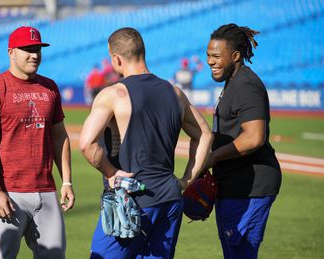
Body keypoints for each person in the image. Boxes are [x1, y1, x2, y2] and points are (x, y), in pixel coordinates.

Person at [79, 27, 212, 258]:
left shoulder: (114, 94)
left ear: (116, 58)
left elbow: (87, 143)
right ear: (142, 52)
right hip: (170, 200)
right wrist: (186, 179)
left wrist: (111, 174)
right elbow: (205, 135)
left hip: (131, 201)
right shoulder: (175, 93)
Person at [0, 26, 75, 259]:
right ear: (11, 53)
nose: (35, 54)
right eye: (28, 49)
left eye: (38, 49)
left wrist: (67, 182)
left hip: (46, 191)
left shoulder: (50, 87)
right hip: (8, 192)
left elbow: (59, 136)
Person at [205, 23, 282, 259]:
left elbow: (254, 137)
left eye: (217, 56)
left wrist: (214, 156)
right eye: (208, 55)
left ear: (236, 56)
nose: (210, 61)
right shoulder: (233, 83)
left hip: (250, 187)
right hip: (234, 185)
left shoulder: (246, 85)